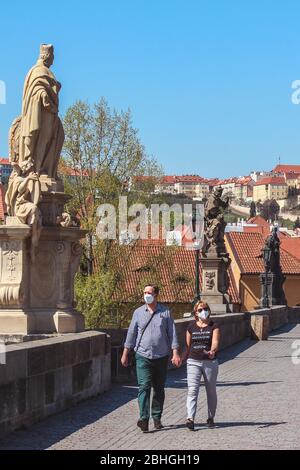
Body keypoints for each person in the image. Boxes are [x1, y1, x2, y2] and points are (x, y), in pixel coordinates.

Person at [121, 284, 181, 432]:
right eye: (144, 292)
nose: (146, 295)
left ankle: (157, 417)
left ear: (156, 295)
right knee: (144, 387)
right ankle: (144, 419)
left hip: (161, 356)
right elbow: (131, 334)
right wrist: (125, 353)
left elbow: (172, 334)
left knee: (159, 389)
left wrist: (175, 352)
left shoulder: (165, 312)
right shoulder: (138, 312)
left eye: (149, 292)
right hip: (142, 355)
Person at [182, 301, 220, 431]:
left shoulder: (214, 326)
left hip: (210, 362)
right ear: (195, 313)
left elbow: (215, 342)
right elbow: (188, 346)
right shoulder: (191, 327)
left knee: (211, 390)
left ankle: (210, 417)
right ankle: (190, 418)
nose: (203, 311)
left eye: (205, 309)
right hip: (193, 361)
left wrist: (212, 351)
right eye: (200, 310)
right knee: (192, 390)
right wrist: (181, 358)